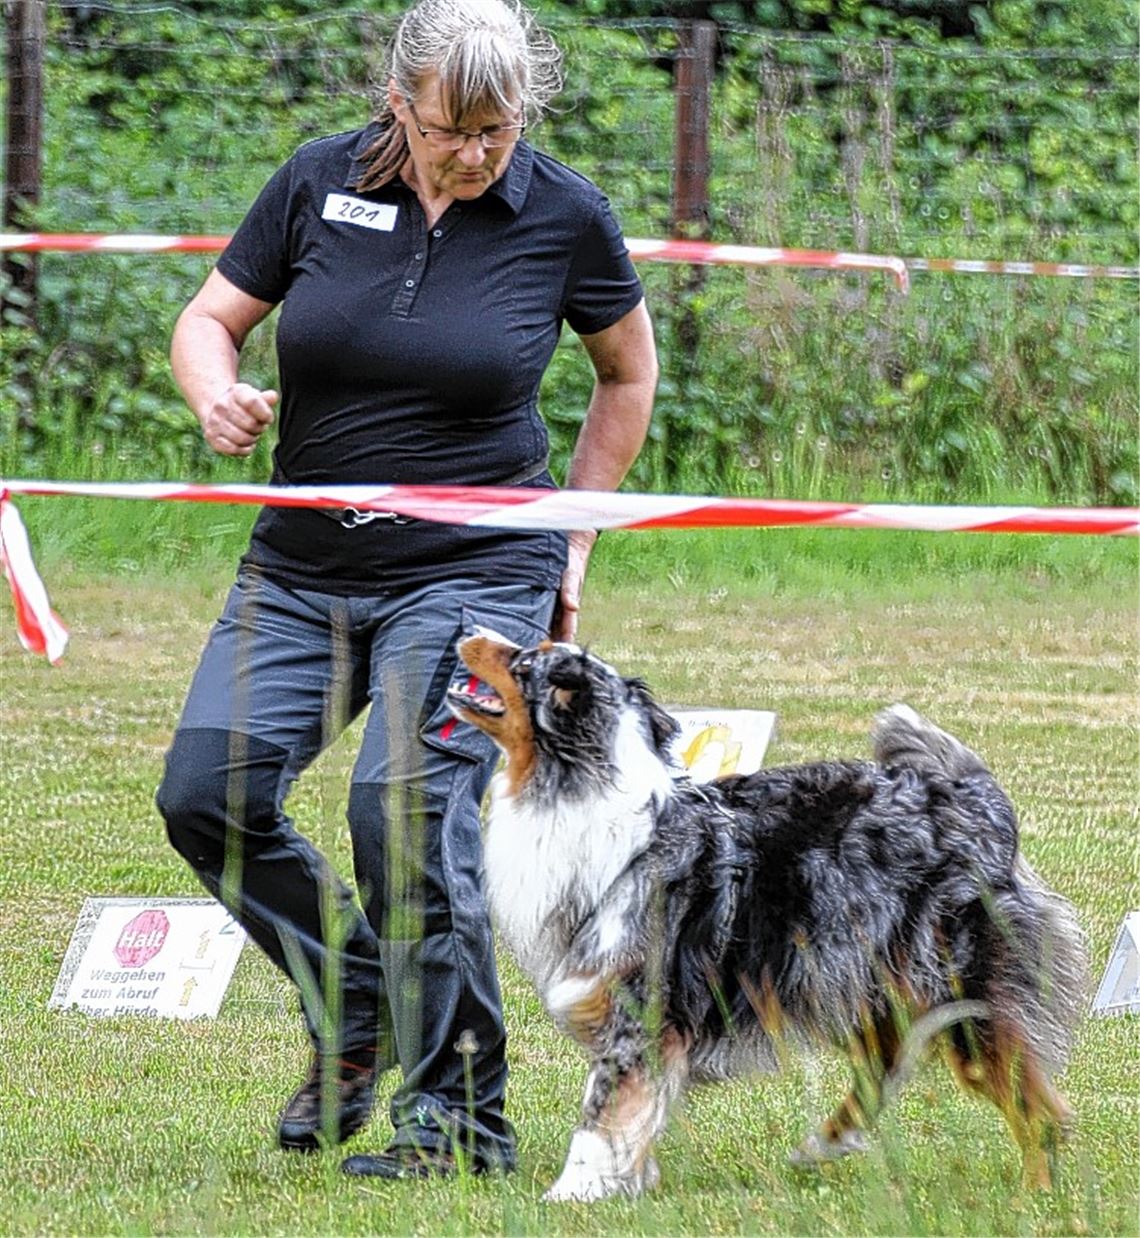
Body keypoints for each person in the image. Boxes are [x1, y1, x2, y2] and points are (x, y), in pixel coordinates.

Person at [155, 0, 656, 1183]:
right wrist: (212, 390)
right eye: (450, 131)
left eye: (498, 130)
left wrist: (572, 536)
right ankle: (357, 992)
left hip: (475, 564)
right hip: (302, 560)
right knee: (204, 793)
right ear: (399, 104)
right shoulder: (314, 182)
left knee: (404, 811)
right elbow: (207, 320)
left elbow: (627, 374)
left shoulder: (565, 214)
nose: (476, 154)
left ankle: (457, 1121)